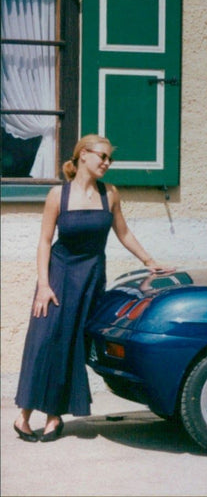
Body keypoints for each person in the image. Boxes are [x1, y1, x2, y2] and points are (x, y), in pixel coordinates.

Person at [13, 135, 173, 442]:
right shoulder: (57, 195)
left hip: (90, 278)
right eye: (102, 156)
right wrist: (43, 285)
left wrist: (150, 261)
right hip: (58, 274)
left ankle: (53, 416)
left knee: (71, 343)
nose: (106, 163)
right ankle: (23, 415)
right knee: (45, 339)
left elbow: (123, 233)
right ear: (83, 155)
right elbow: (45, 241)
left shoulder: (109, 194)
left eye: (109, 159)